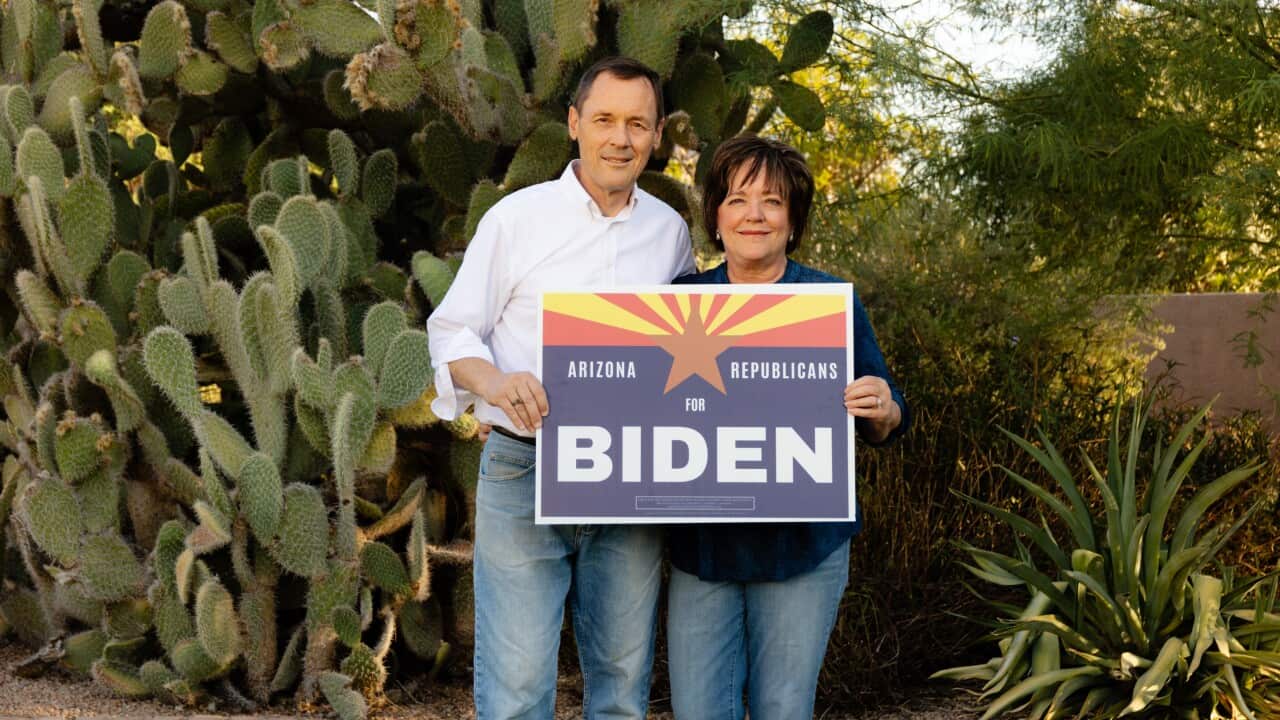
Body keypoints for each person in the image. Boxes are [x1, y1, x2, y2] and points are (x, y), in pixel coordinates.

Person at [426, 56, 695, 720]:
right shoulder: (517, 220)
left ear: (657, 135)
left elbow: (691, 346)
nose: (620, 139)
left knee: (623, 683)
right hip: (526, 464)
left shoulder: (670, 233)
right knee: (516, 686)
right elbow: (453, 327)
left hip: (630, 478)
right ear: (574, 125)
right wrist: (494, 382)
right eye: (604, 119)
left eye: (637, 123)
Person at [665, 134, 910, 720]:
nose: (755, 214)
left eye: (772, 201)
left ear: (792, 220)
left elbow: (887, 415)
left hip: (803, 546)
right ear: (715, 217)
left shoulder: (828, 301)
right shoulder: (677, 302)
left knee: (783, 708)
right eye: (738, 199)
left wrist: (883, 408)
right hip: (705, 550)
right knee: (699, 710)